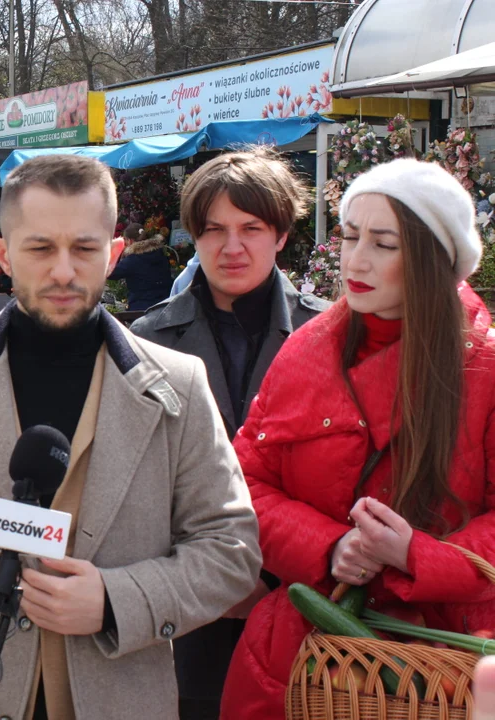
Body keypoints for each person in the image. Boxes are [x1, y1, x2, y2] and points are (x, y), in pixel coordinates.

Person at [0, 154, 261, 720]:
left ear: (113, 254)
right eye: (40, 248)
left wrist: (117, 601)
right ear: (4, 254)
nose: (64, 271)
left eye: (84, 249)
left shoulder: (178, 387)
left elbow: (231, 552)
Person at [220, 158, 495, 719]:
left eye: (384, 243)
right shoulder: (303, 351)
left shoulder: (485, 369)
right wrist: (329, 547)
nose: (356, 260)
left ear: (433, 258)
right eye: (348, 236)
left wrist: (417, 556)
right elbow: (242, 481)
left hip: (444, 669)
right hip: (299, 654)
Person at [129, 149, 329, 720]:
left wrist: (270, 577)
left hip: (302, 603)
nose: (231, 247)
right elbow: (140, 478)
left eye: (251, 228)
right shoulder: (150, 339)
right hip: (188, 610)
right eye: (213, 229)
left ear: (282, 235)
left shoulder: (327, 334)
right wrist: (211, 581)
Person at [109, 223, 172, 311]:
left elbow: (109, 273)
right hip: (165, 306)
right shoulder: (160, 254)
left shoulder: (132, 260)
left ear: (130, 241)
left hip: (141, 310)